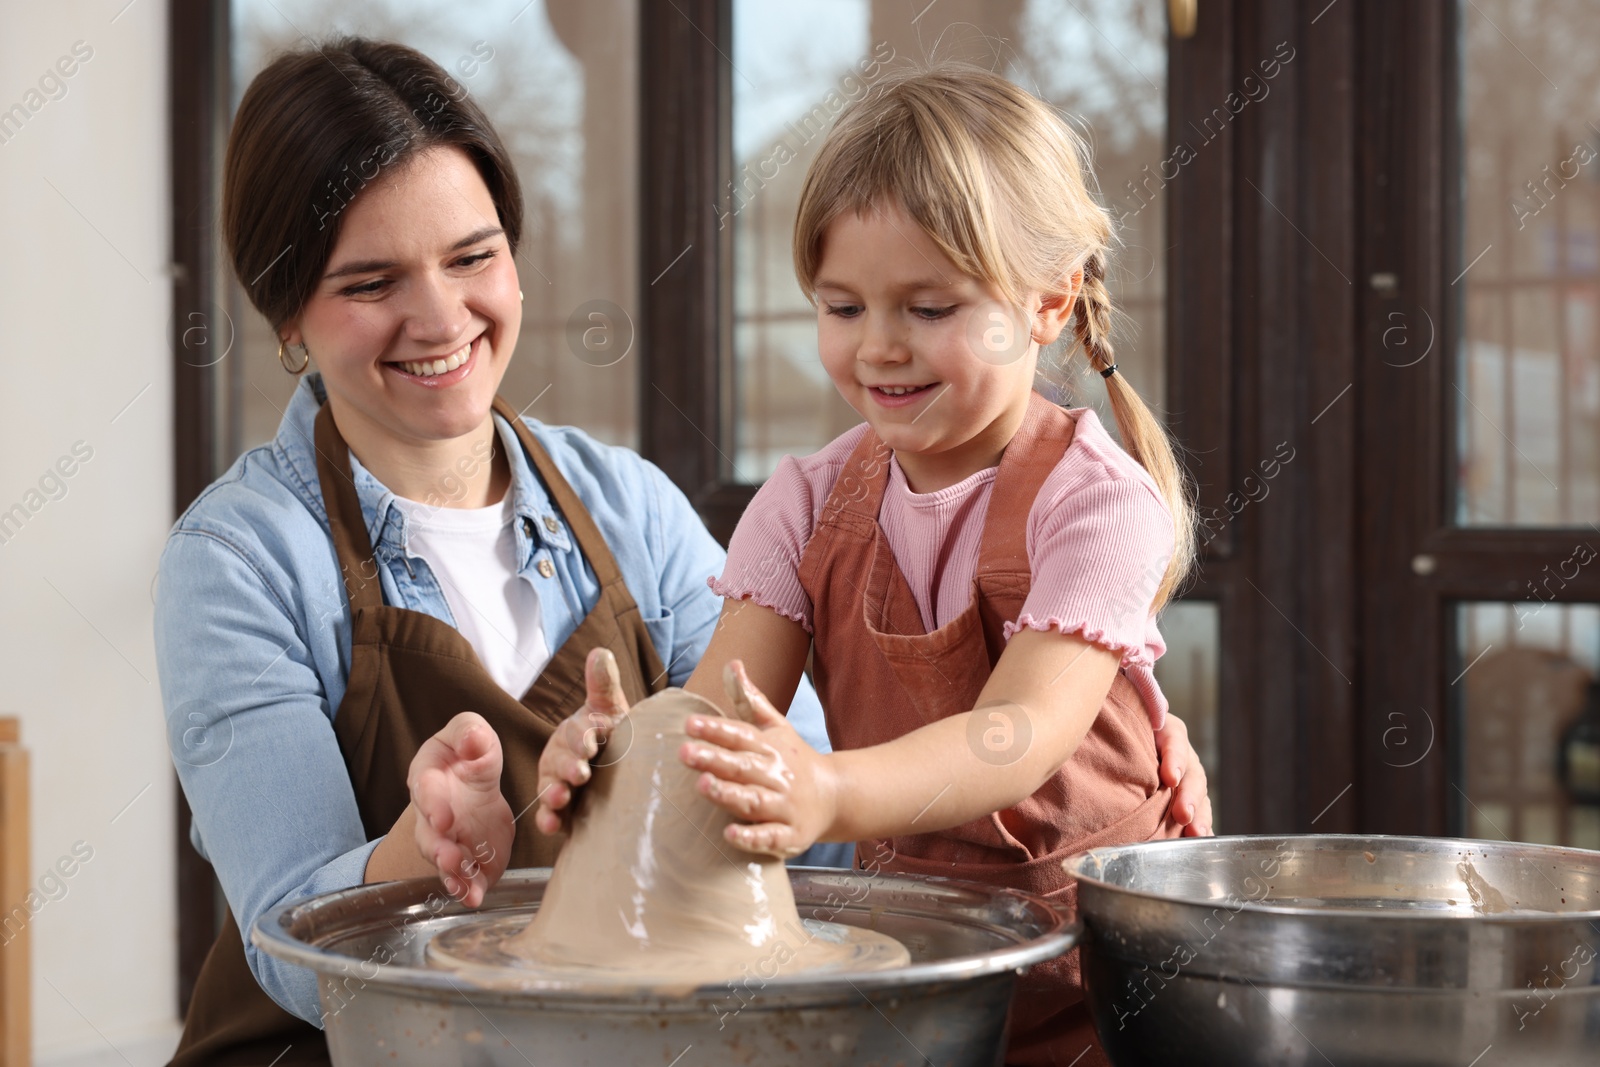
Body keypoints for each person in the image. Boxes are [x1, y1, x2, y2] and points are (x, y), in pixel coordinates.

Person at [153, 37, 853, 1066]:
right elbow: (293, 952)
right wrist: (422, 851)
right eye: (370, 281)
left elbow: (817, 836)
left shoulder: (632, 510)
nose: (441, 317)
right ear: (287, 311)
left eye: (473, 257)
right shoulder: (239, 560)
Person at [533, 65, 1214, 1065]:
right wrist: (624, 756)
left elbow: (1013, 733)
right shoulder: (804, 502)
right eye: (842, 307)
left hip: (1108, 979)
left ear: (1049, 302)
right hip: (917, 959)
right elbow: (725, 719)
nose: (879, 347)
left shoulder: (1096, 500)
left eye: (928, 308)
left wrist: (831, 793)